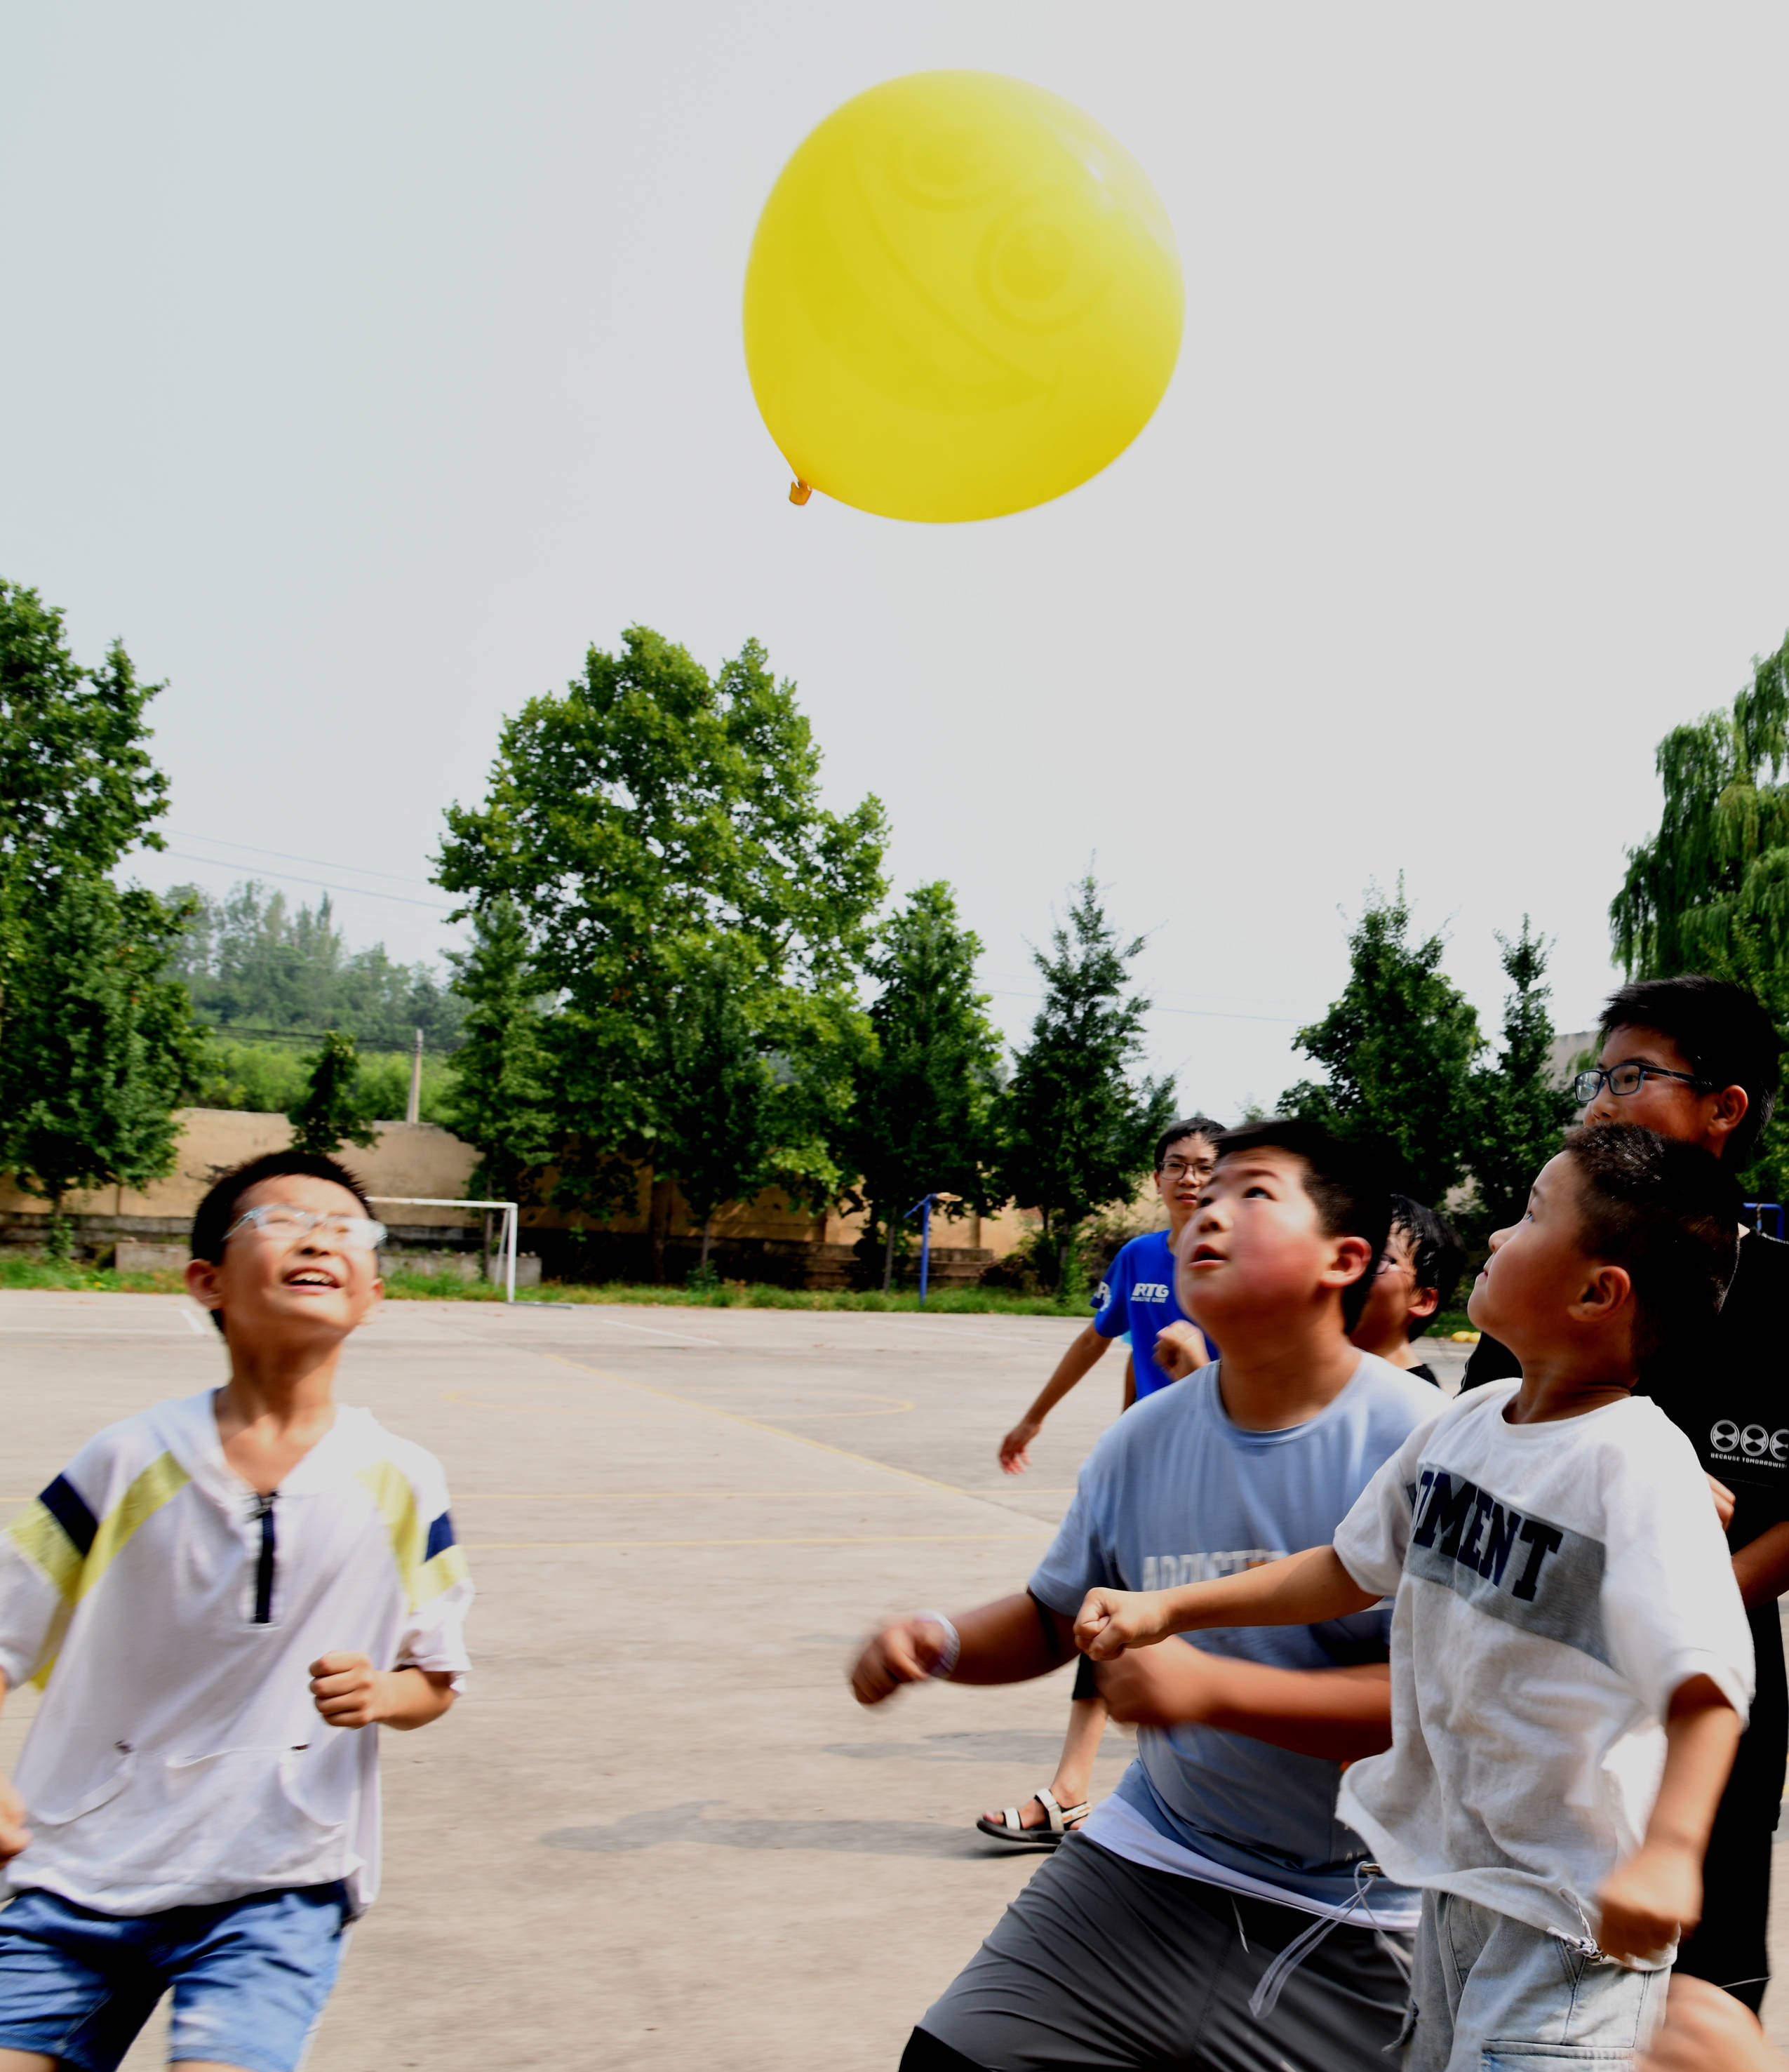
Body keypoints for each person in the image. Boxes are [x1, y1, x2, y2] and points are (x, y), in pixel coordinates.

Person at [1078, 1124, 1754, 2071]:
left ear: (1596, 1292)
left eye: (1526, 1216)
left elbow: (1706, 1684)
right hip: (1458, 1879)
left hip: (1574, 1911)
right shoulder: (1471, 1421)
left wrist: (1671, 1851)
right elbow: (1348, 1566)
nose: (1492, 1237)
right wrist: (1172, 1609)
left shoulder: (1634, 1465)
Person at [853, 1119, 1441, 2072]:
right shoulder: (1143, 1437)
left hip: (1361, 1908)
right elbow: (1056, 1614)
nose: (1207, 1213)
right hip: (1151, 1856)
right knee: (953, 2057)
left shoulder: (1426, 1443)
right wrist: (939, 1640)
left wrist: (1213, 1690)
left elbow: (1446, 1706)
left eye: (1252, 1194)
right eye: (1202, 1198)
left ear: (1344, 1259)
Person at [0, 1150, 471, 2072]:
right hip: (79, 1875)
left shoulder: (404, 1480)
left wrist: (383, 1693)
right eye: (283, 1221)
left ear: (373, 1291)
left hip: (280, 1879)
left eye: (346, 1228)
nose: (319, 1237)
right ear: (206, 1282)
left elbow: (438, 1679)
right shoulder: (126, 1459)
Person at [1461, 975, 1788, 2010]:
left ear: (1722, 1109)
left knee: (1698, 1995)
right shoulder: (1547, 1280)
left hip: (1720, 1683)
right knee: (1513, 1980)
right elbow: (1481, 1451)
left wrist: (1678, 1612)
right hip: (1537, 1687)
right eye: (1597, 1080)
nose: (1600, 1101)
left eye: (1633, 1076)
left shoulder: (1784, 1297)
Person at [981, 1117, 1224, 1846]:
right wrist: (1038, 1419)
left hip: (1221, 1470)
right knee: (1104, 1614)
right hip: (1154, 1472)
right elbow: (1107, 1341)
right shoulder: (1140, 1257)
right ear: (1155, 1179)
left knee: (1211, 1624)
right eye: (1175, 1165)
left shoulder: (1242, 1265)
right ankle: (1070, 1790)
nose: (1189, 1178)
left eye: (1204, 1166)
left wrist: (1203, 1370)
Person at [1346, 1194, 1464, 1386]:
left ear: (1422, 1299)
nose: (1350, 1268)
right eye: (1346, 1250)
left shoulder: (1419, 1405)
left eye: (1377, 1258)